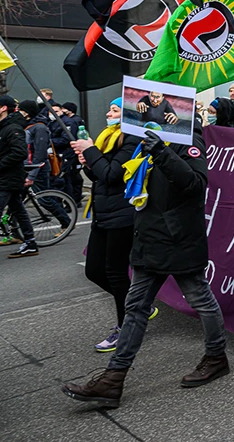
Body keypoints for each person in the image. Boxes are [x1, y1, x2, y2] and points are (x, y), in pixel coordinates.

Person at [62, 127, 228, 407]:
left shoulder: (188, 140)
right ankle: (113, 379)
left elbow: (195, 184)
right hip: (149, 236)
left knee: (200, 298)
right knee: (135, 306)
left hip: (177, 238)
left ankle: (216, 357)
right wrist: (92, 166)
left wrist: (161, 152)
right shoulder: (146, 142)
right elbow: (126, 182)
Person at [72, 98, 155, 352]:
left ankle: (125, 327)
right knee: (94, 271)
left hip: (123, 214)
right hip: (103, 213)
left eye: (114, 109)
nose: (108, 113)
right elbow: (99, 176)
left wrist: (90, 151)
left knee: (116, 274)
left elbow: (113, 174)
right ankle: (140, 306)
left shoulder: (133, 138)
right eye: (109, 109)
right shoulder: (108, 137)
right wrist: (89, 162)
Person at [16, 100, 72, 233]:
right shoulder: (26, 125)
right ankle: (15, 232)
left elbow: (40, 155)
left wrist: (32, 175)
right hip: (27, 167)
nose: (18, 112)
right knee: (16, 201)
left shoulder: (39, 127)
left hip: (37, 168)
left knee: (44, 199)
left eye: (20, 110)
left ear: (27, 112)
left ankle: (66, 222)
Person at [0, 96, 39, 257]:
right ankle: (30, 243)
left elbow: (19, 153)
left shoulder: (13, 128)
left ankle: (30, 243)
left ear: (3, 108)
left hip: (6, 179)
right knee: (19, 210)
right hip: (6, 178)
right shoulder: (3, 126)